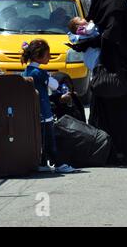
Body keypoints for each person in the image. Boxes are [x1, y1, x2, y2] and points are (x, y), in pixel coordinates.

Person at [69, 0, 127, 166]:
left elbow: (111, 36)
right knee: (103, 107)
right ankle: (102, 150)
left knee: (115, 110)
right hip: (105, 66)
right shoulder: (105, 4)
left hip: (116, 68)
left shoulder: (115, 5)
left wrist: (89, 42)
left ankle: (120, 152)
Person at [21, 39, 76, 173]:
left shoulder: (26, 71)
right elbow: (55, 86)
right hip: (44, 112)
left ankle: (42, 162)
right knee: (49, 141)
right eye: (47, 54)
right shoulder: (39, 73)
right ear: (38, 56)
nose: (49, 57)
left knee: (40, 141)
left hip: (33, 112)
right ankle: (59, 164)